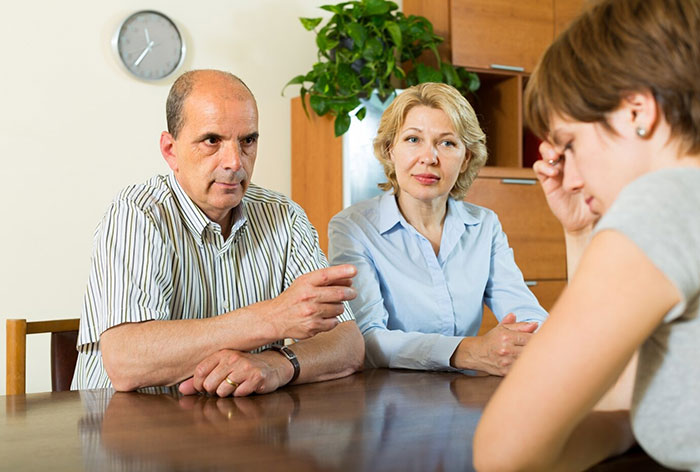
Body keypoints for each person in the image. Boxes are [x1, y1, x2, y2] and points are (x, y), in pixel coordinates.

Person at [474, 0, 700, 470]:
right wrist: (582, 232)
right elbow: (621, 375)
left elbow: (503, 453)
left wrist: (622, 428)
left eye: (570, 143)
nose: (571, 178)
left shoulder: (663, 202)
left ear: (637, 111)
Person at [72, 70, 364, 397]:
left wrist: (278, 365)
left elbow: (347, 343)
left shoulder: (284, 215)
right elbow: (126, 361)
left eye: (247, 141)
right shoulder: (137, 213)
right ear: (170, 150)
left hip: (232, 430)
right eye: (212, 141)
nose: (234, 162)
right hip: (127, 431)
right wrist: (273, 319)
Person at [328, 83, 548, 375]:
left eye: (447, 143)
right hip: (387, 399)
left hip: (463, 394)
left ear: (466, 158)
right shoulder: (353, 228)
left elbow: (525, 311)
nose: (429, 157)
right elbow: (367, 338)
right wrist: (467, 351)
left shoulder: (484, 225)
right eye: (413, 139)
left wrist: (533, 337)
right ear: (390, 149)